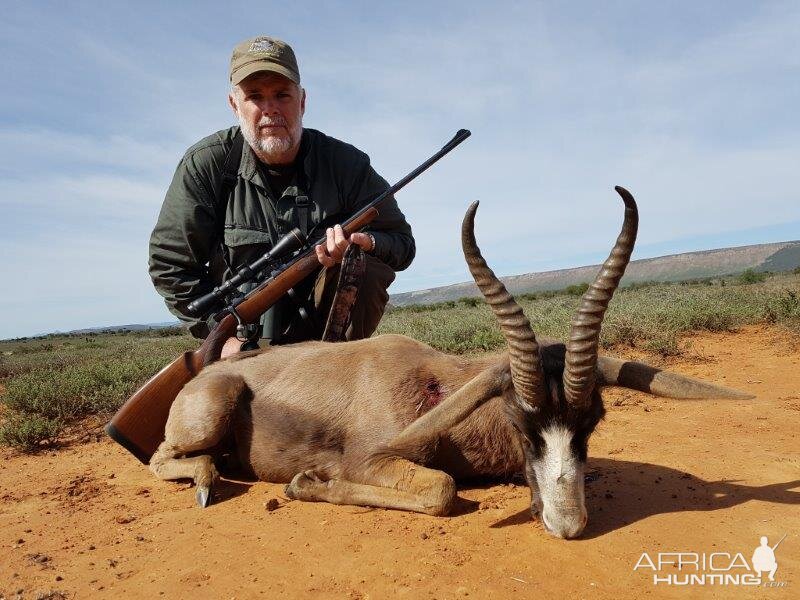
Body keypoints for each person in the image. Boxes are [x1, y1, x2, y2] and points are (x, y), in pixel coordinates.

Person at [149, 36, 415, 357]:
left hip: (325, 341)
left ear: (301, 101)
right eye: (255, 97)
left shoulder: (346, 164)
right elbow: (170, 266)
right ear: (235, 105)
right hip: (241, 340)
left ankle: (335, 371)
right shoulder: (206, 163)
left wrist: (363, 243)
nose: (270, 109)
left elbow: (401, 245)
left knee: (367, 267)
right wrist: (222, 341)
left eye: (282, 95)